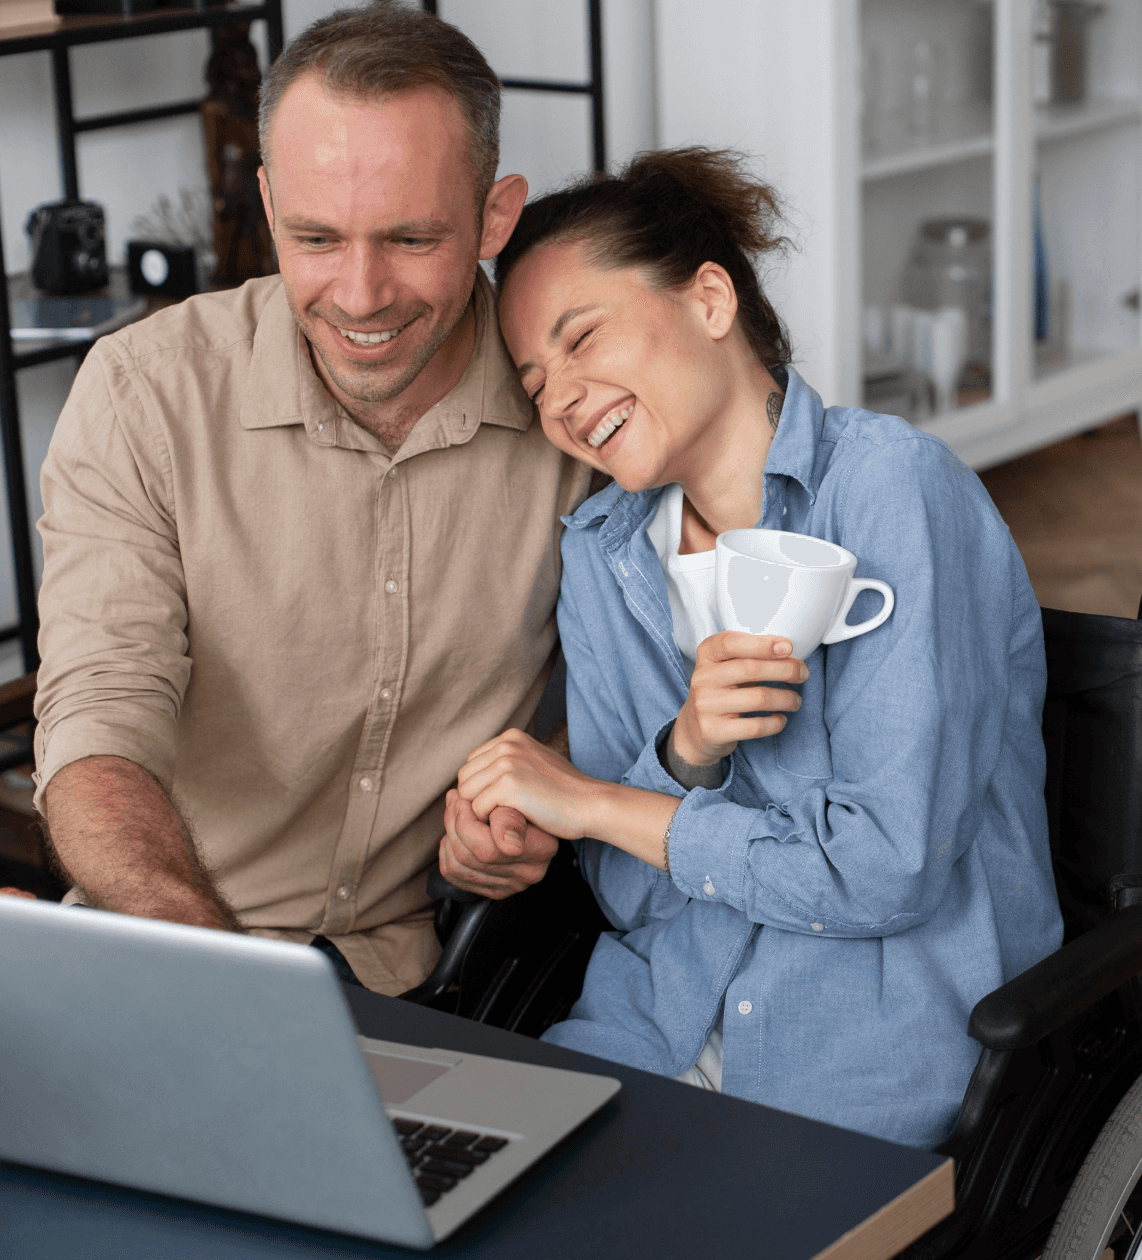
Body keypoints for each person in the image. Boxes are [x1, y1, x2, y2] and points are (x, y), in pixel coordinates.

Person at [455, 149, 1064, 1149]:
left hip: (868, 1065)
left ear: (707, 300)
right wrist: (685, 749)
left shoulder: (892, 494)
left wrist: (602, 801)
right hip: (648, 1030)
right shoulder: (604, 557)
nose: (559, 398)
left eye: (582, 339)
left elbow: (886, 871)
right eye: (532, 379)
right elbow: (628, 896)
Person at [30, 1, 588, 995]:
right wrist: (212, 961)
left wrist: (543, 786)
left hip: (428, 977)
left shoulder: (578, 406)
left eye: (411, 239)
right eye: (316, 238)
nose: (361, 294)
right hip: (166, 946)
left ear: (495, 217)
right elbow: (99, 719)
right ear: (267, 200)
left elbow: (662, 652)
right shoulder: (145, 392)